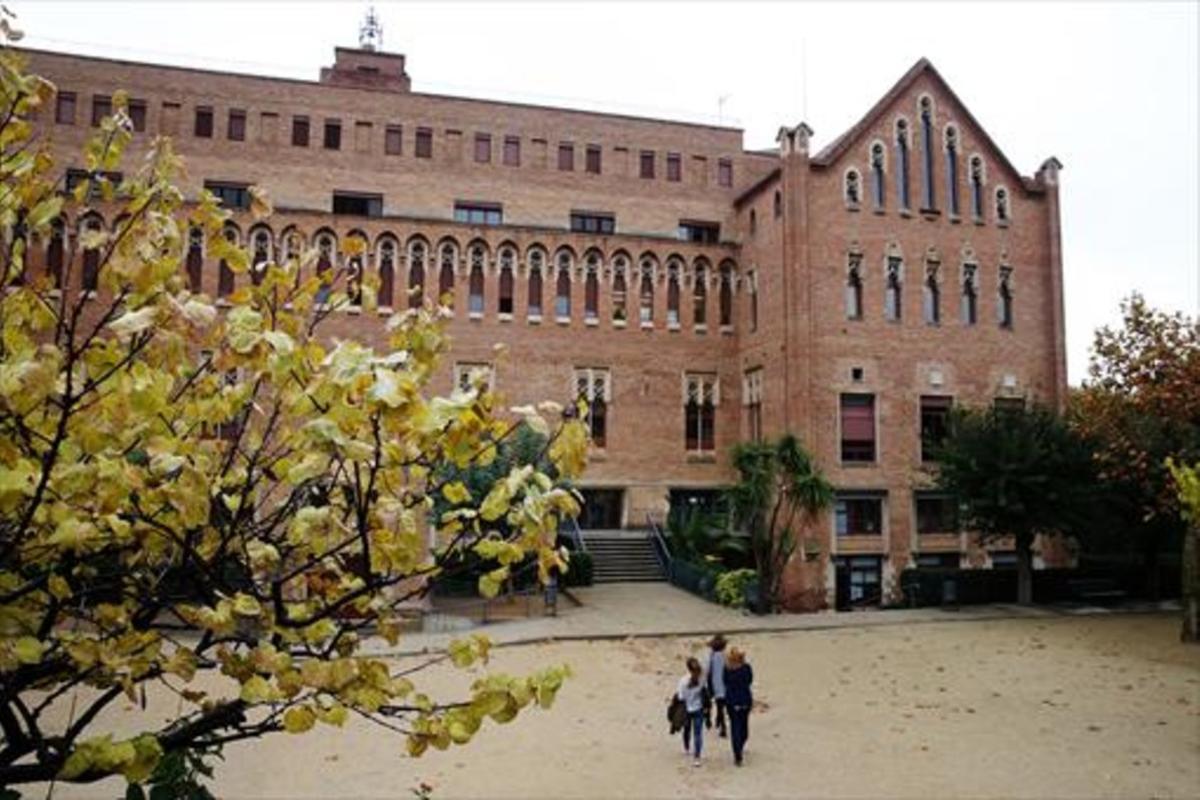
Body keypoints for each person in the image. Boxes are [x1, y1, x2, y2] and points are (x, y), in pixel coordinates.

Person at [676, 656, 710, 767]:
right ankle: (697, 757)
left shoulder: (683, 681)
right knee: (698, 733)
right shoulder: (702, 678)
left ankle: (686, 748)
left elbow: (681, 697)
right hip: (698, 707)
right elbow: (704, 690)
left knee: (687, 729)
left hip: (686, 708)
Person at [724, 646, 754, 766]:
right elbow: (750, 680)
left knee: (735, 726)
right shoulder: (746, 668)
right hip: (744, 700)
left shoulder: (727, 669)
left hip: (732, 701)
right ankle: (738, 750)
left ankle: (737, 753)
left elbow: (725, 682)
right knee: (743, 727)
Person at [706, 634, 728, 738]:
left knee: (712, 704)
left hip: (714, 684)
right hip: (724, 686)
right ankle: (721, 723)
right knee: (721, 707)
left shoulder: (712, 657)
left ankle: (715, 722)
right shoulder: (725, 656)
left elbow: (709, 672)